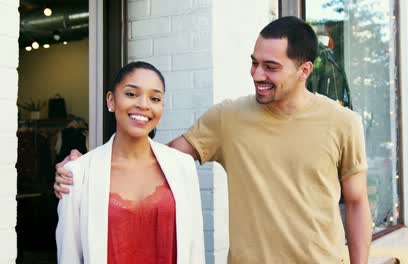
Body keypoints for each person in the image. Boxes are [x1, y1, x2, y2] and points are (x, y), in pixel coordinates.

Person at [55, 17, 371, 263]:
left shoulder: (342, 122)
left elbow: (356, 203)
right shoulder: (228, 118)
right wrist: (84, 170)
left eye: (270, 67)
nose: (257, 74)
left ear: (304, 70)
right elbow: (154, 159)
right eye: (254, 62)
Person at [55, 61, 205, 264]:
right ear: (111, 101)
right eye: (131, 94)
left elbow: (194, 248)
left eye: (154, 98)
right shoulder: (79, 173)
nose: (143, 104)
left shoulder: (182, 166)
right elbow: (69, 255)